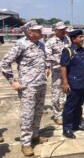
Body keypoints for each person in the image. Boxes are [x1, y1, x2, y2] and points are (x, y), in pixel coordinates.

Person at [0, 20, 49, 157]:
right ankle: (25, 143)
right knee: (27, 115)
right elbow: (4, 63)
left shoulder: (41, 44)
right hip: (28, 86)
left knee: (38, 112)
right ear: (30, 32)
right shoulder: (21, 45)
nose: (41, 32)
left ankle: (35, 136)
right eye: (38, 30)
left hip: (41, 83)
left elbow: (43, 59)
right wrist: (12, 81)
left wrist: (46, 68)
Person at [60, 30, 84, 139]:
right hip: (73, 83)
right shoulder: (68, 51)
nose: (82, 39)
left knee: (79, 105)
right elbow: (63, 67)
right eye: (80, 37)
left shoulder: (82, 50)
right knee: (70, 106)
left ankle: (76, 124)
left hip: (83, 83)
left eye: (82, 37)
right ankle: (67, 128)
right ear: (74, 39)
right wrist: (65, 83)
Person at [45, 21, 69, 125]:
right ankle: (57, 115)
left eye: (64, 29)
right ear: (56, 30)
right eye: (61, 29)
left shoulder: (67, 39)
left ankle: (64, 111)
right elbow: (47, 55)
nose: (64, 31)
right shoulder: (50, 42)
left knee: (65, 92)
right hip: (57, 71)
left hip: (68, 70)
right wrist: (60, 61)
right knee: (56, 94)